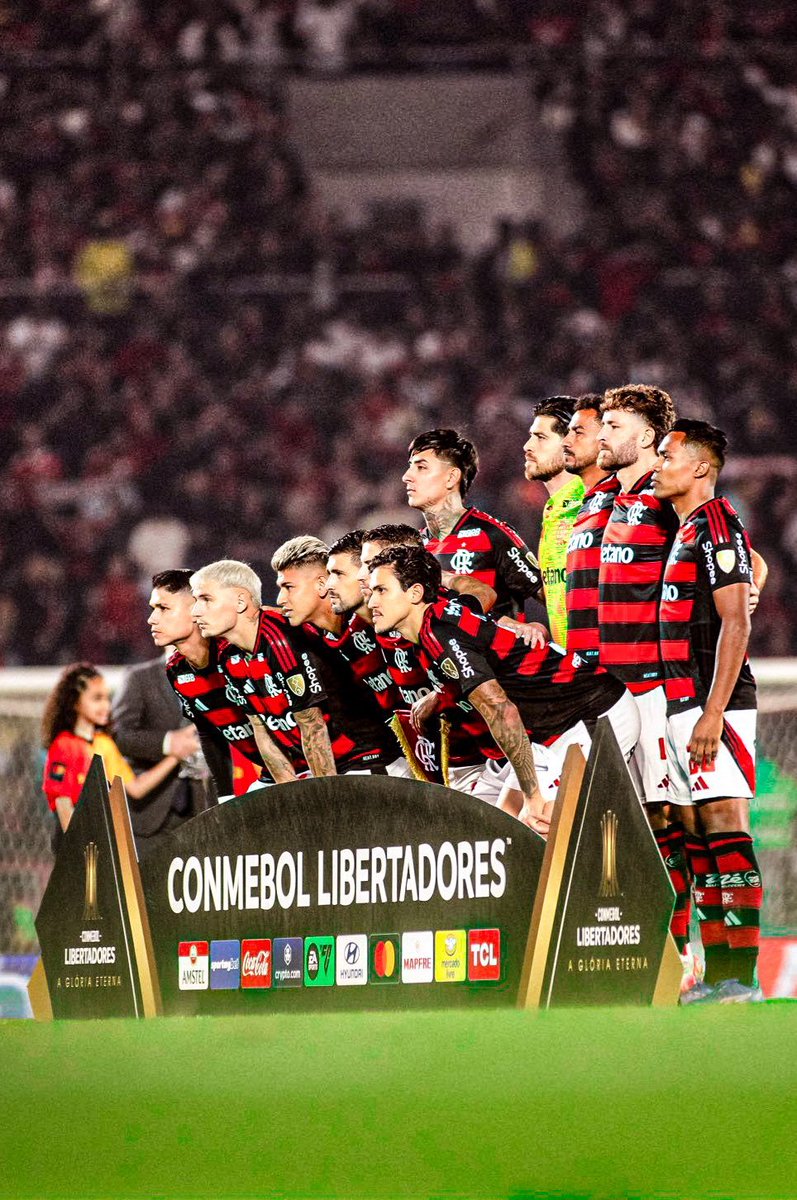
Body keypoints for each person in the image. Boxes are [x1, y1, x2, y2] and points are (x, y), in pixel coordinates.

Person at [367, 545, 639, 833]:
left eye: (381, 590)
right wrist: (439, 697)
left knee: (546, 826)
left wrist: (533, 796)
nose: (371, 601)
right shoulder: (440, 619)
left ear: (415, 593)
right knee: (505, 831)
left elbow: (501, 710)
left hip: (594, 714)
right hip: (553, 730)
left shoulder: (442, 633)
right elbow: (482, 611)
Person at [654, 419, 764, 1003]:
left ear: (699, 467)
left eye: (668, 455)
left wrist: (712, 711)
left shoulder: (718, 523)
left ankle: (742, 978)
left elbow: (736, 620)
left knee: (724, 824)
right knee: (696, 831)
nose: (659, 465)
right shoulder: (687, 528)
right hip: (683, 705)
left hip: (712, 704)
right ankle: (721, 973)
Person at [271, 536, 400, 774]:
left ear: (321, 584)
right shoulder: (303, 632)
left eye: (288, 587)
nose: (281, 599)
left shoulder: (374, 614)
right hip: (375, 760)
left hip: (431, 746)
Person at [147, 569, 280, 796]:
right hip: (271, 771)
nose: (152, 619)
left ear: (195, 608)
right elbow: (209, 734)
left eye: (164, 608)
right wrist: (225, 796)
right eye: (153, 609)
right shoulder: (176, 671)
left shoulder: (236, 651)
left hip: (305, 762)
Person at [190, 559, 327, 779]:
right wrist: (288, 790)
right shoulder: (227, 655)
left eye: (206, 599)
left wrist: (327, 801)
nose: (195, 612)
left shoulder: (280, 638)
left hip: (350, 762)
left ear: (241, 601)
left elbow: (313, 729)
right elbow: (262, 729)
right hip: (305, 768)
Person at [404, 427, 543, 619]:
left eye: (421, 467)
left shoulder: (492, 534)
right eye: (410, 467)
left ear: (452, 477)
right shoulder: (416, 548)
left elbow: (546, 595)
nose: (407, 477)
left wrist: (538, 629)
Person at [42, 663, 178, 850]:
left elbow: (136, 788)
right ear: (75, 702)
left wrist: (175, 756)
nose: (106, 705)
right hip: (74, 841)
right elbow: (63, 801)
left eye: (107, 698)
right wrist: (76, 846)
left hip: (100, 838)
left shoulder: (104, 743)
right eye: (97, 698)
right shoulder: (65, 746)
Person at [113, 643, 216, 856]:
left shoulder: (220, 675)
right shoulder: (140, 678)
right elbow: (118, 735)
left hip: (206, 810)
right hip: (151, 814)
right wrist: (168, 743)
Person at [523, 396, 585, 646]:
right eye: (531, 435)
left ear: (570, 443)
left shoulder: (591, 502)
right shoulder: (552, 507)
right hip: (574, 667)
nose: (527, 446)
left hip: (606, 669)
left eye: (541, 438)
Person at [564, 395, 620, 662]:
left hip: (616, 665)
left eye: (578, 433)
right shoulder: (587, 504)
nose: (566, 441)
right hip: (585, 662)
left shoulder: (626, 496)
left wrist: (747, 588)